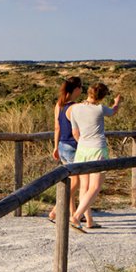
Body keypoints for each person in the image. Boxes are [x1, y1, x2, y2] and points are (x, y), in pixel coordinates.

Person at [67, 82, 122, 232]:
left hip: (82, 149)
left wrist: (83, 144)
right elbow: (113, 111)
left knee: (84, 187)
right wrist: (117, 103)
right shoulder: (100, 109)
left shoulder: (75, 109)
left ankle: (89, 220)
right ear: (102, 96)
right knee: (95, 187)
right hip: (97, 148)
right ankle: (77, 216)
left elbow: (75, 133)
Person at [47, 76, 87, 225]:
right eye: (81, 87)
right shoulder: (75, 107)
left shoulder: (59, 104)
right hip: (72, 145)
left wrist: (56, 146)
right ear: (76, 89)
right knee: (74, 182)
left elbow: (57, 127)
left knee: (69, 180)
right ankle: (56, 211)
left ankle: (73, 212)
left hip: (63, 145)